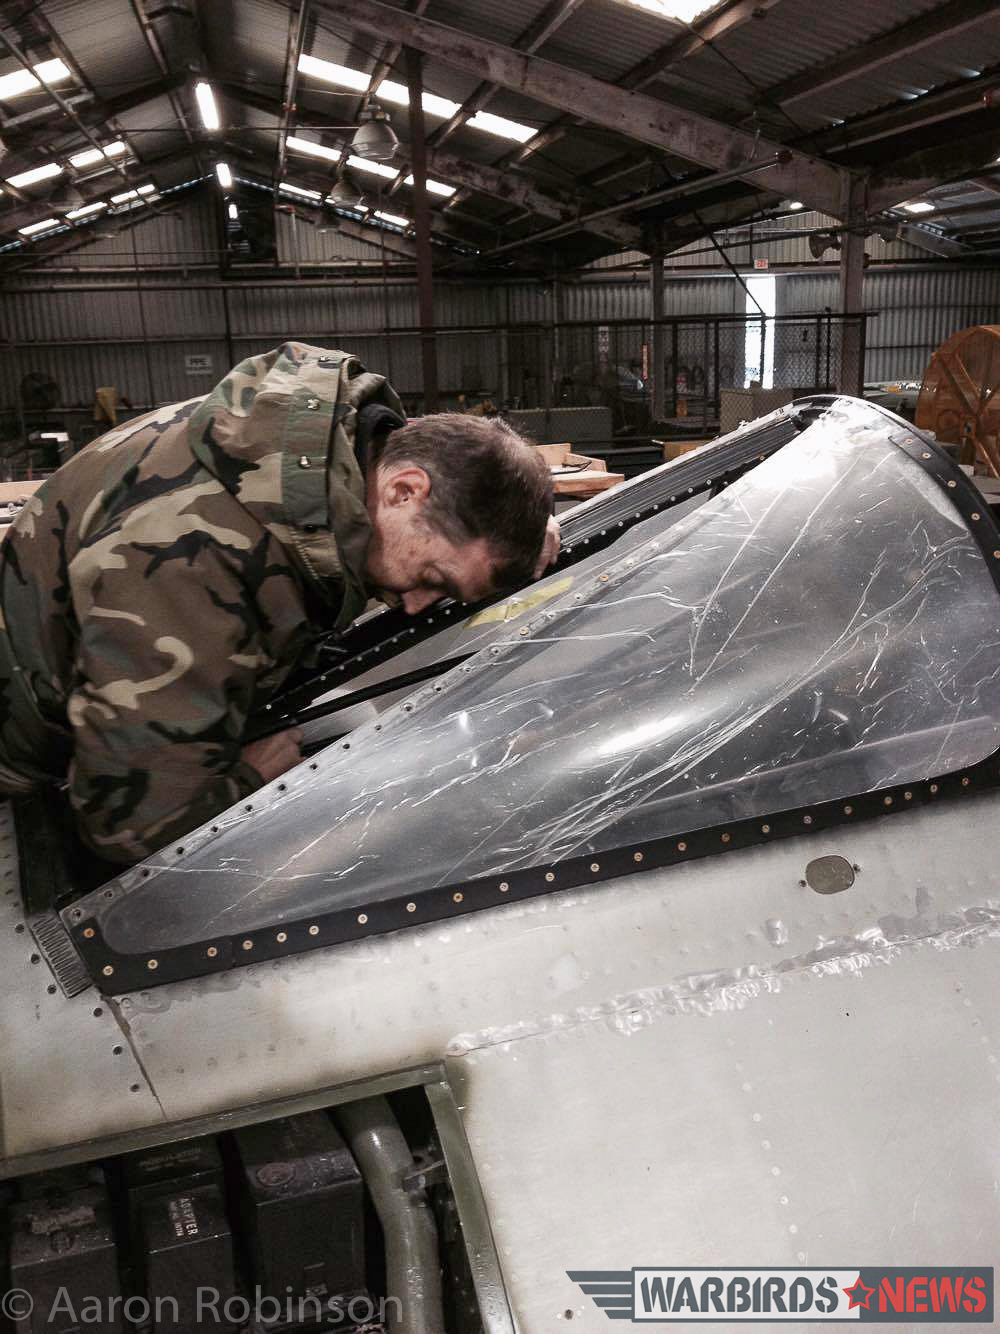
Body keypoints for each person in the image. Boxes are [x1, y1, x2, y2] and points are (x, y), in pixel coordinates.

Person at [0, 342, 558, 865]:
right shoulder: (194, 557)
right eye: (433, 577)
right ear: (404, 490)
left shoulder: (314, 454)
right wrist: (250, 778)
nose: (418, 606)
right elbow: (129, 826)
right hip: (20, 767)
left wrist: (521, 537)